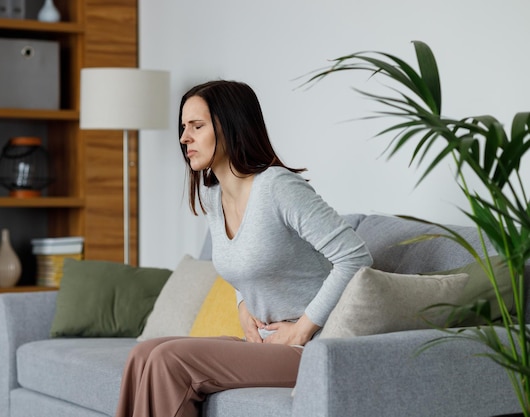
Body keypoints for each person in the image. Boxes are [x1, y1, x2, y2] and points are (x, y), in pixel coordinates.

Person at [115, 80, 372, 417]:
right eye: (183, 128)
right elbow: (241, 262)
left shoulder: (277, 187)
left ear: (231, 125)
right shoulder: (212, 196)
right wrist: (242, 307)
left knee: (169, 360)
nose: (184, 138)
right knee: (142, 354)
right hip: (263, 344)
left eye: (197, 126)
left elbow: (356, 258)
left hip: (313, 350)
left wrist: (301, 329)